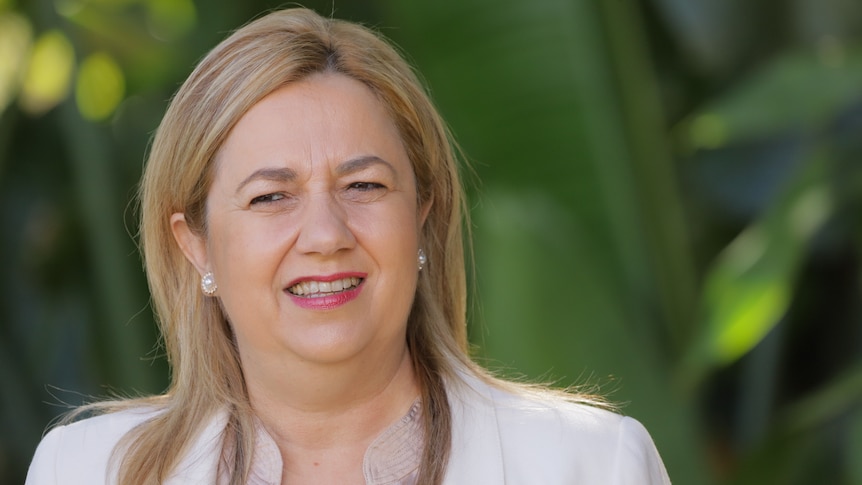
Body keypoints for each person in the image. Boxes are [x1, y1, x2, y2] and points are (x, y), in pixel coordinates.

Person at [26, 7, 670, 485]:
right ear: (194, 244)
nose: (327, 235)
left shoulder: (587, 463)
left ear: (422, 214)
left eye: (363, 185)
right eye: (270, 197)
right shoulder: (84, 471)